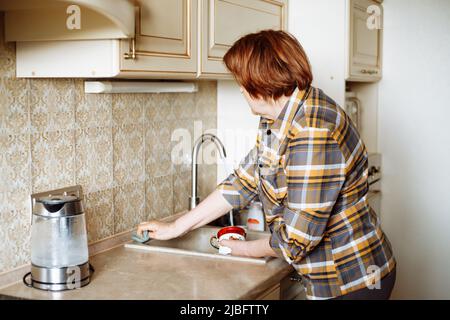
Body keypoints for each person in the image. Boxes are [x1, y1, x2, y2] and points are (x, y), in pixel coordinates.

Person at [137, 30, 396, 300]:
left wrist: (243, 249)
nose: (239, 88)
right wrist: (176, 227)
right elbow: (244, 181)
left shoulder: (311, 132)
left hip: (351, 280)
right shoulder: (277, 117)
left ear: (261, 81)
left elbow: (295, 241)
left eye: (242, 79)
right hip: (334, 275)